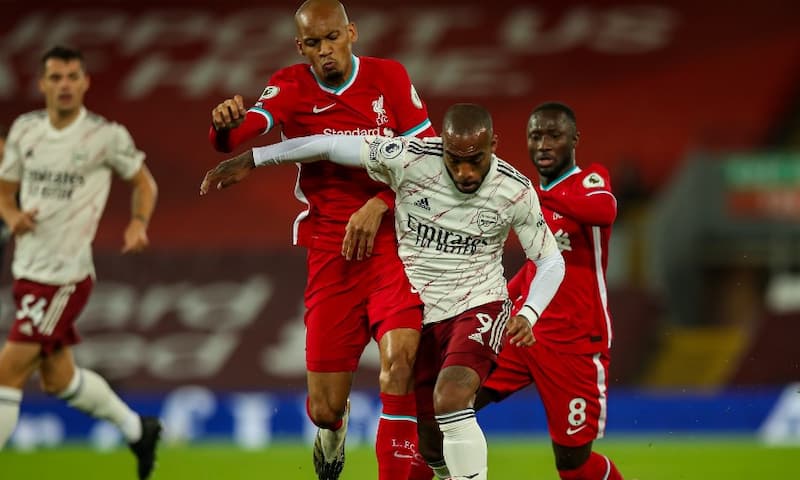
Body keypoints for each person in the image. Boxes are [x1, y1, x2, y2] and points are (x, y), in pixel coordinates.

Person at [200, 102, 567, 480]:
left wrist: (529, 312)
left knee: (452, 397)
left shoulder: (515, 190)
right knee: (429, 444)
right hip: (420, 312)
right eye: (454, 159)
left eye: (474, 159)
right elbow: (327, 145)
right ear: (442, 146)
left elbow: (551, 261)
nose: (464, 171)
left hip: (479, 304)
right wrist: (254, 158)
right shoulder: (408, 159)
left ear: (494, 144)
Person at [207, 1, 435, 479]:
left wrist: (381, 204)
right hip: (332, 256)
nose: (325, 50)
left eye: (333, 38)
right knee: (326, 406)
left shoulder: (388, 78)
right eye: (313, 43)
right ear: (300, 47)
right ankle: (333, 429)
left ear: (351, 32)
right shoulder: (291, 85)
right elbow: (251, 128)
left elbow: (429, 157)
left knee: (400, 364)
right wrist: (225, 128)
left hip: (395, 246)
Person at [0, 46, 161, 480]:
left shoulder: (104, 136)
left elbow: (143, 182)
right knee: (57, 380)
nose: (65, 85)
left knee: (7, 370)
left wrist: (138, 222)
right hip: (27, 270)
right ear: (42, 84)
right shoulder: (24, 131)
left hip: (65, 277)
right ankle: (138, 429)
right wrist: (12, 214)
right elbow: (5, 188)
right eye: (56, 77)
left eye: (73, 76)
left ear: (86, 82)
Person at [471, 102, 625, 479]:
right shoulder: (532, 200)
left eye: (553, 135)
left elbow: (605, 211)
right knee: (454, 401)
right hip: (524, 334)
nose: (543, 144)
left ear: (574, 139)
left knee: (572, 463)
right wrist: (499, 300)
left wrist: (534, 197)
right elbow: (536, 264)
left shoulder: (589, 179)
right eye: (536, 136)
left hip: (574, 341)